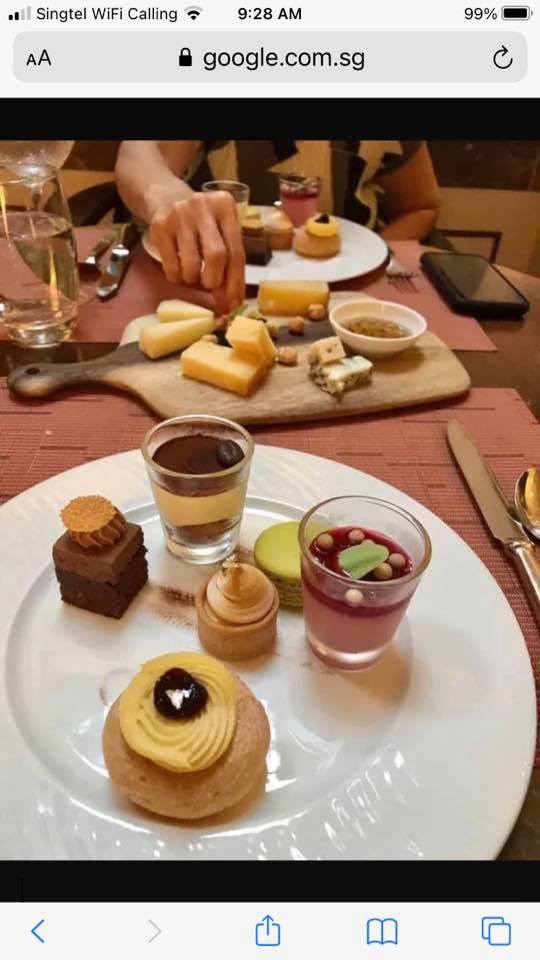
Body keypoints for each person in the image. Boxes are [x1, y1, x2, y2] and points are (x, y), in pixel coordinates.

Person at [116, 140, 441, 312]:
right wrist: (167, 197)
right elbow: (139, 154)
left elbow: (420, 207)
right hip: (205, 288)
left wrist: (371, 257)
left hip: (354, 297)